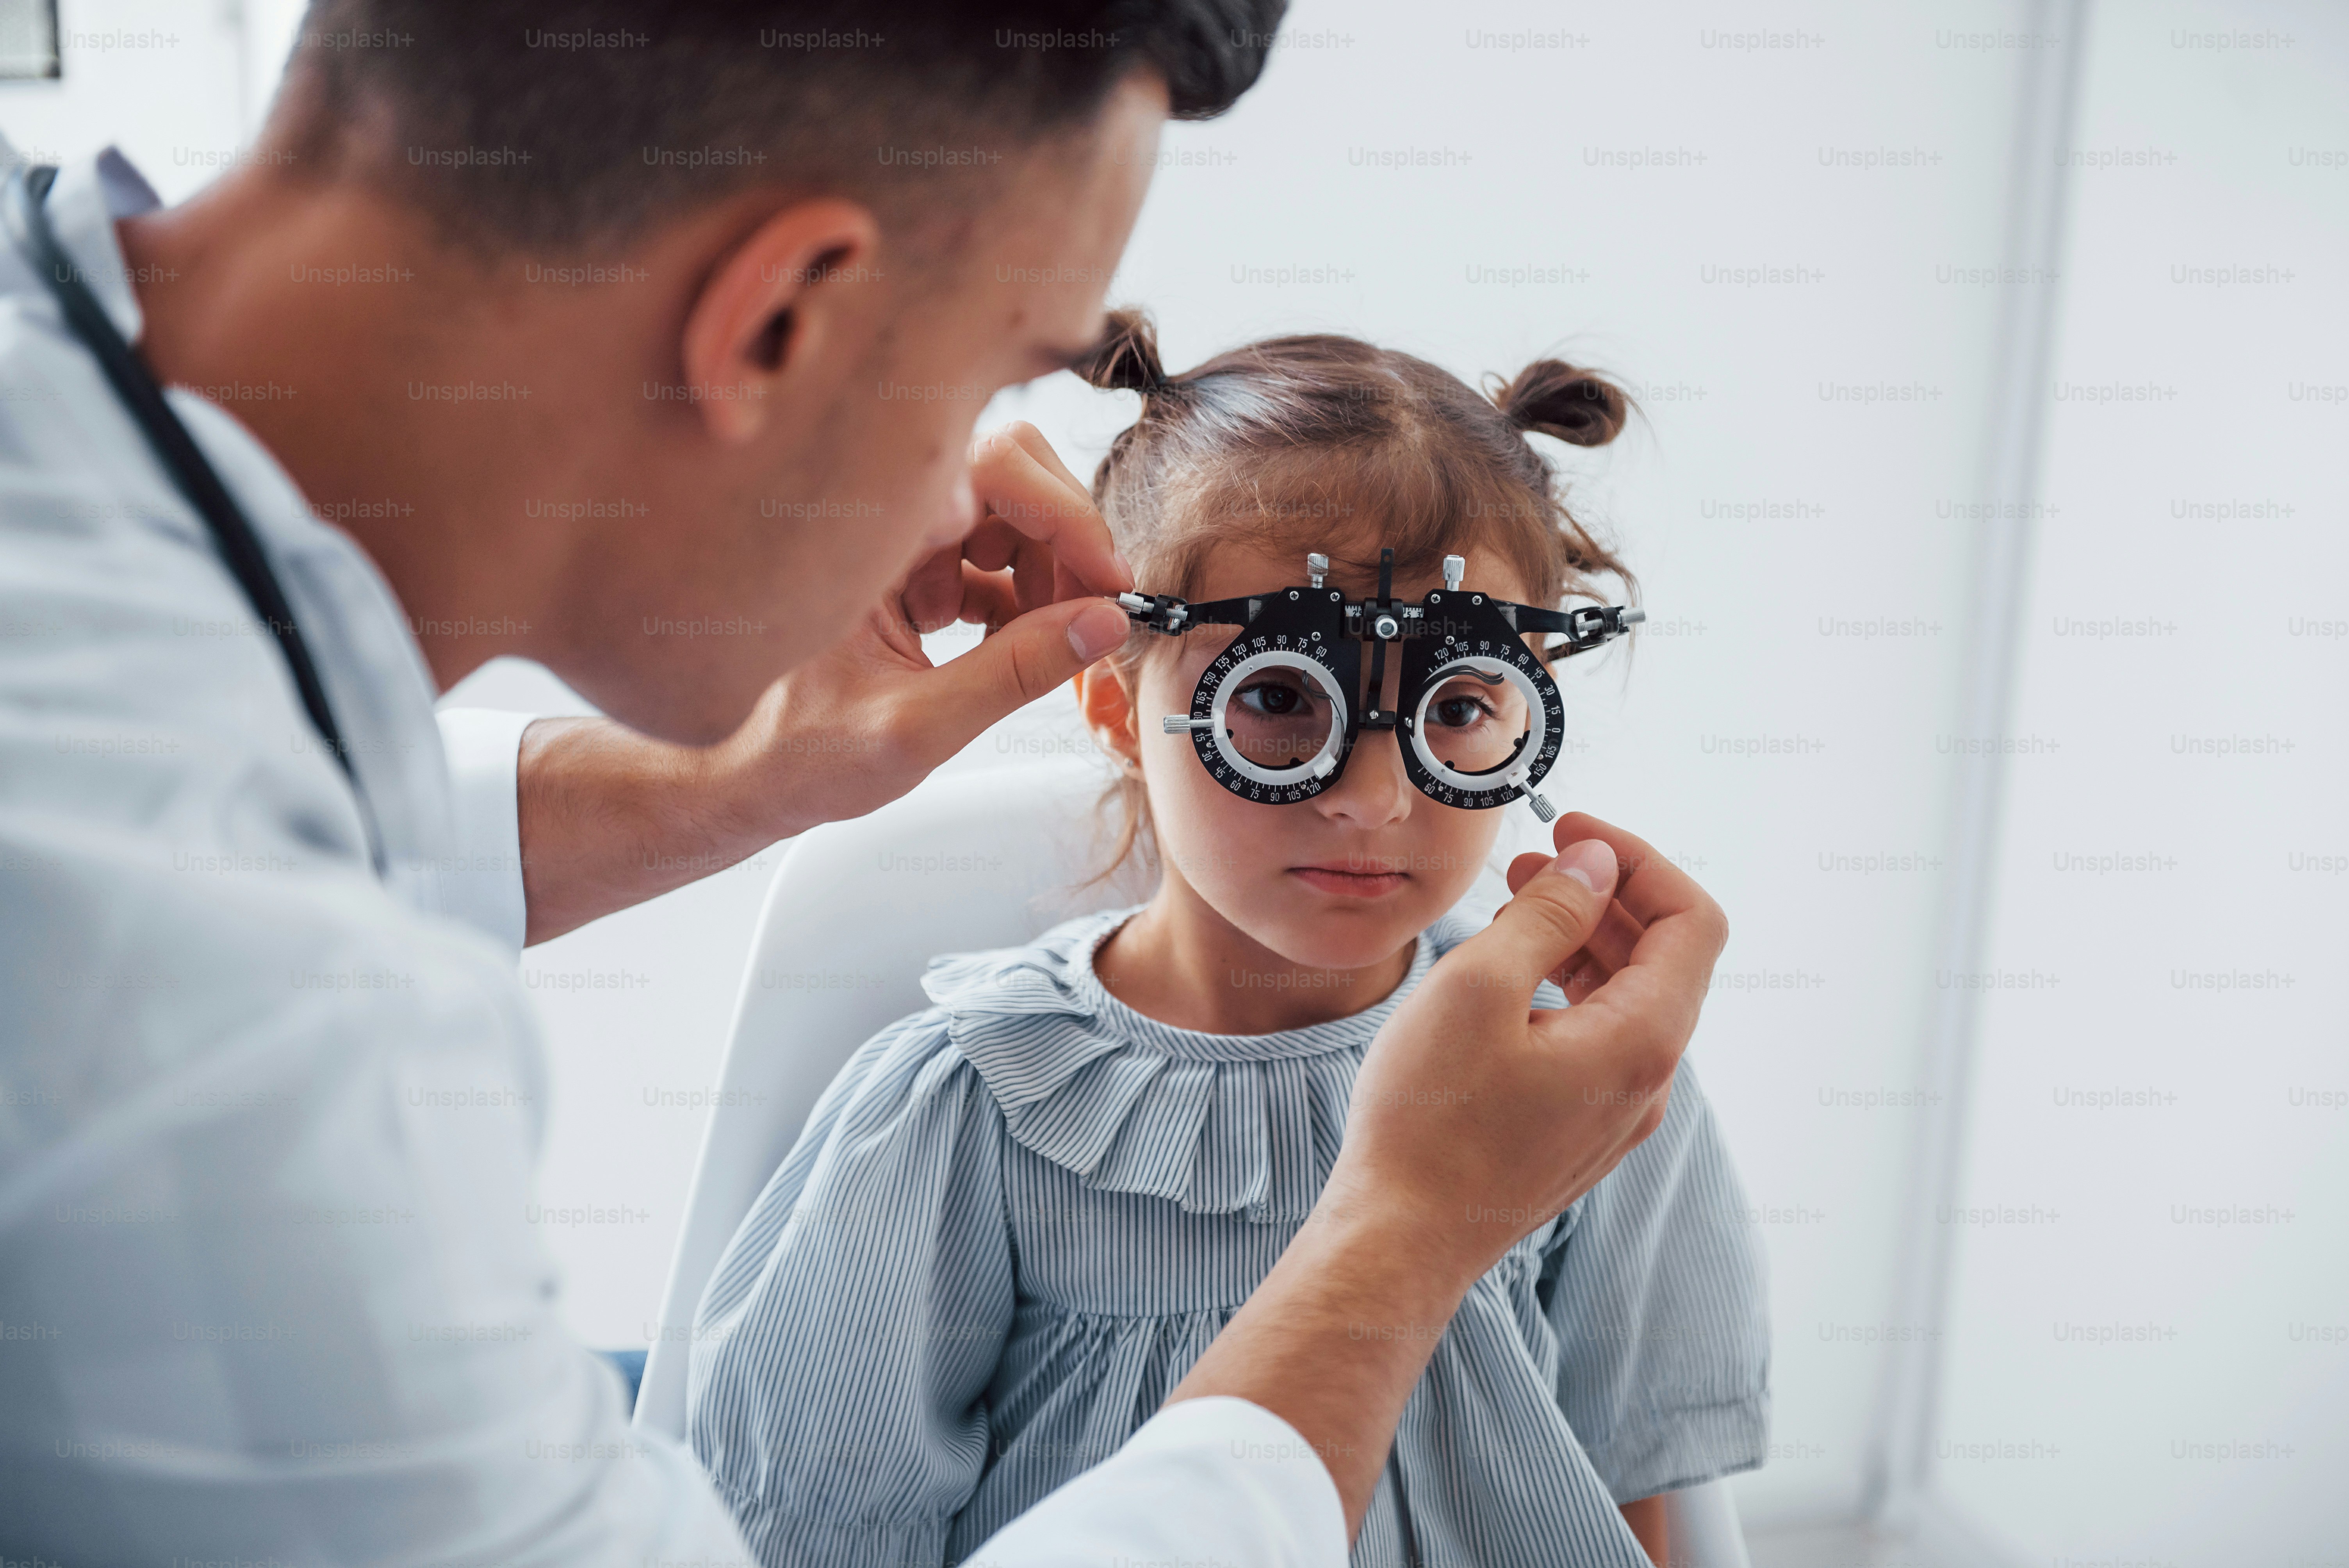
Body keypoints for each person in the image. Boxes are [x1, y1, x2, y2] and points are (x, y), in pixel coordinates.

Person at [0, 6, 1729, 1566]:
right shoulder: (202, 1028)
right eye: (985, 379)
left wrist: (735, 779)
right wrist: (1404, 1233)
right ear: (777, 320)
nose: (986, 502)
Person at [685, 317, 1768, 1568]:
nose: (1371, 795)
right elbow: (813, 1527)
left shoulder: (1586, 1070)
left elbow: (1647, 1480)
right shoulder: (967, 1114)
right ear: (1113, 700)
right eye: (1274, 697)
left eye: (1459, 704)